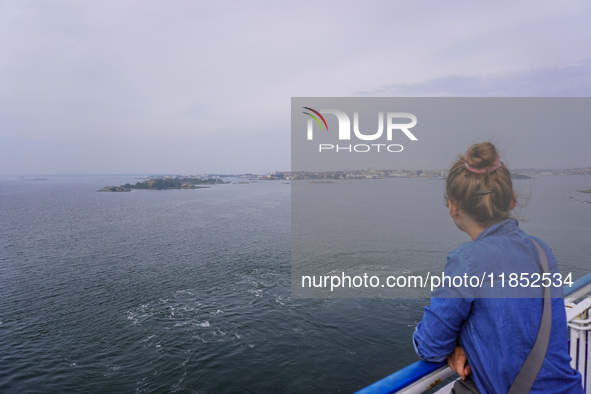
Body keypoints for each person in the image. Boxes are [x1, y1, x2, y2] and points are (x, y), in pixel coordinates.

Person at [412, 142, 584, 393]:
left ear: (452, 207)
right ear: (511, 200)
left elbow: (430, 346)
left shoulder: (467, 260)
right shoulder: (540, 250)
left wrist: (456, 343)